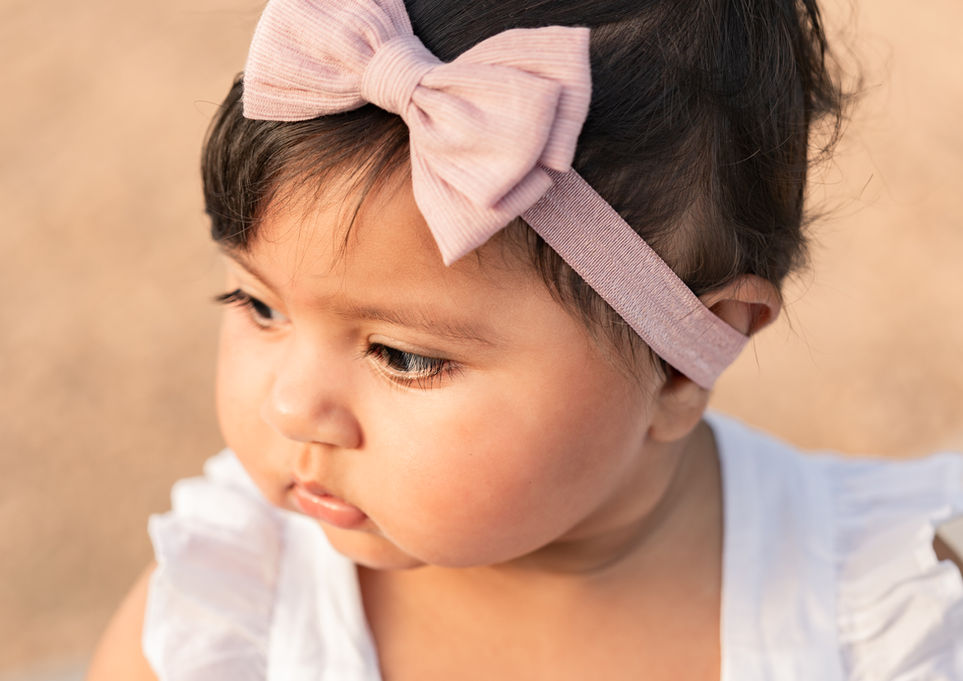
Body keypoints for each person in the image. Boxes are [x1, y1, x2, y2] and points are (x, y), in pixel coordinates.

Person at [86, 0, 963, 678]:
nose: (291, 404)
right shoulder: (225, 614)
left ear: (677, 361)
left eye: (404, 355)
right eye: (257, 304)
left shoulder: (875, 614)